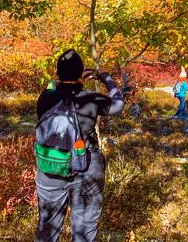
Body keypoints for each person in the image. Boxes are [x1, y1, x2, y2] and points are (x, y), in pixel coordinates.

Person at [35, 49, 124, 242]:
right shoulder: (90, 98)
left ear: (58, 74)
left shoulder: (45, 98)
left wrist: (71, 77)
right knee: (83, 231)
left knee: (47, 228)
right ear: (81, 72)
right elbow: (118, 104)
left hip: (50, 167)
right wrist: (106, 78)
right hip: (85, 169)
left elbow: (53, 87)